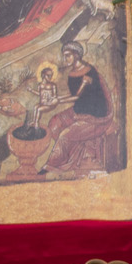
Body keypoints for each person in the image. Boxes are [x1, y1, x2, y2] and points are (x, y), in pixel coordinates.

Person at [43, 42, 116, 174]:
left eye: (68, 56)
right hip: (79, 108)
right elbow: (74, 96)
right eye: (64, 56)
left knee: (64, 136)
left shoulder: (89, 71)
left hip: (94, 112)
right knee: (55, 123)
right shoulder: (72, 74)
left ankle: (51, 166)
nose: (66, 59)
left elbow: (78, 96)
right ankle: (72, 154)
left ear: (76, 55)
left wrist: (57, 100)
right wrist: (57, 99)